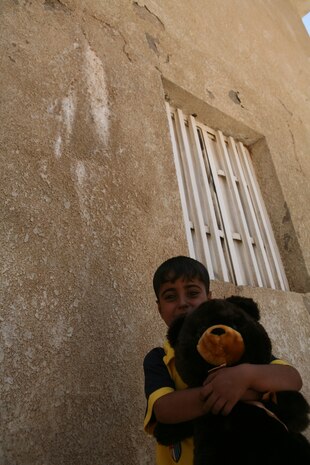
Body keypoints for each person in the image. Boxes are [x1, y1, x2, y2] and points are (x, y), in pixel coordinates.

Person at [143, 256, 303, 465]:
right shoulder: (159, 358)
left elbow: (292, 379)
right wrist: (236, 390)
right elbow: (165, 409)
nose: (182, 303)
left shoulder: (233, 343)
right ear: (159, 308)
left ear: (208, 298)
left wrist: (244, 376)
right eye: (170, 297)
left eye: (192, 293)